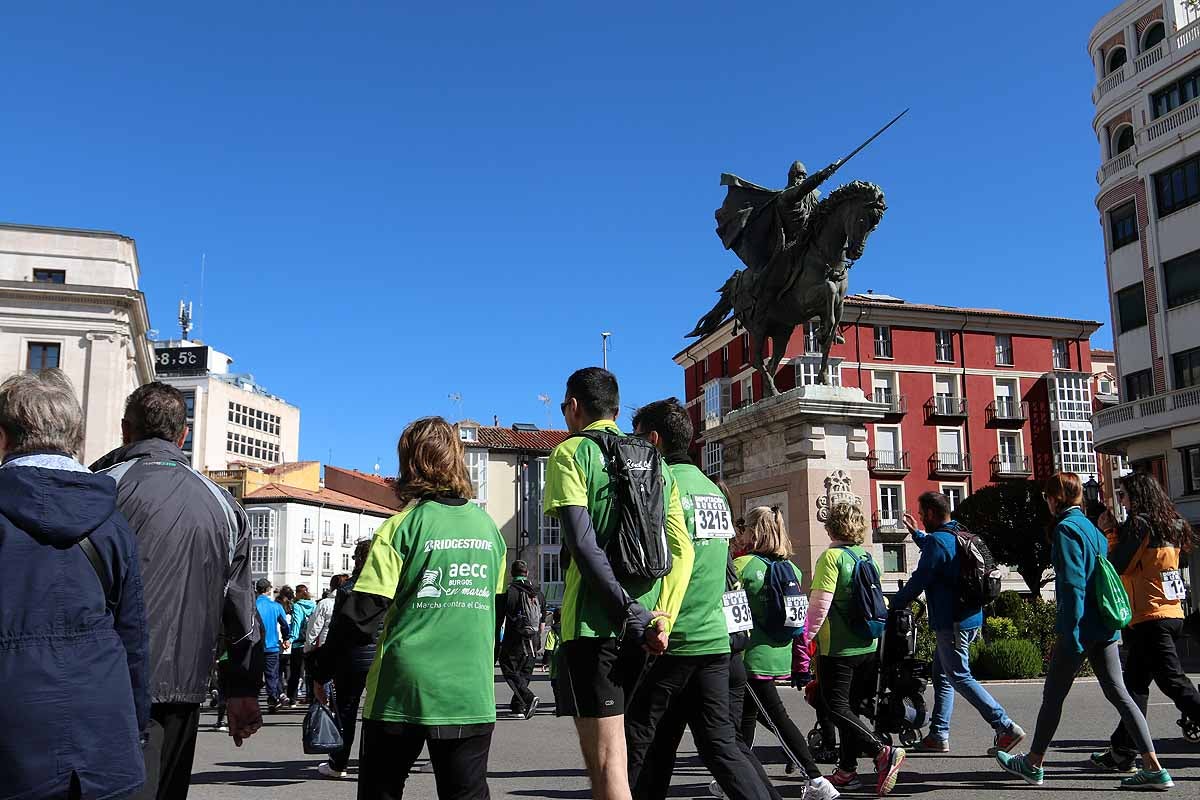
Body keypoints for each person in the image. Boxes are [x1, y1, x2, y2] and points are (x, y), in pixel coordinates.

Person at [314, 416, 506, 799]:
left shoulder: (401, 527)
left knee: (382, 791)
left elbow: (362, 614)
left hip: (403, 690)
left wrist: (322, 668)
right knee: (466, 793)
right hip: (469, 690)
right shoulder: (490, 531)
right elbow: (494, 614)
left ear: (409, 463)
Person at [91, 380, 264, 800]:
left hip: (103, 682)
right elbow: (240, 611)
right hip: (183, 691)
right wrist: (241, 690)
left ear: (124, 430)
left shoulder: (98, 487)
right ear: (182, 435)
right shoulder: (224, 505)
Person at [624, 399, 791, 800]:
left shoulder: (660, 482)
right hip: (714, 639)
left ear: (653, 439)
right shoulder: (712, 488)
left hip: (672, 635)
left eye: (636, 438)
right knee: (718, 745)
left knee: (637, 744)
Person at [544, 368, 694, 800]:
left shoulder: (571, 453)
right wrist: (660, 615)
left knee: (607, 761)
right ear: (614, 407)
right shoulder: (656, 463)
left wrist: (628, 613)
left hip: (595, 624)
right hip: (649, 627)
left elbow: (584, 546)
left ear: (574, 407)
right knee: (610, 757)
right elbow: (681, 551)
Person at [0, 370, 149, 799]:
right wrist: (134, 726)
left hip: (13, 726)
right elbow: (133, 636)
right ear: (76, 438)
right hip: (102, 724)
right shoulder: (111, 522)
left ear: (4, 437)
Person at [995, 472, 1173, 790]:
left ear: (1054, 499)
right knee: (1121, 695)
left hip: (1080, 626)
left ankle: (1034, 763)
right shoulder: (1093, 529)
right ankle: (1153, 766)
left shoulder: (1065, 529)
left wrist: (1069, 632)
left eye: (1047, 497)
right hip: (1104, 624)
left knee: (1053, 697)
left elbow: (1073, 584)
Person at [894, 492, 1025, 754]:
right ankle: (938, 734)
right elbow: (941, 556)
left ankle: (1005, 727)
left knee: (959, 676)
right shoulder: (958, 534)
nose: (921, 518)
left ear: (931, 513)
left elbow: (921, 578)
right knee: (942, 675)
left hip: (952, 621)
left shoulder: (938, 543)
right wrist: (919, 535)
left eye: (922, 514)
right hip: (970, 616)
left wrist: (894, 604)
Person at [1092, 472, 1200, 771]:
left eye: (1124, 495)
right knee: (1136, 687)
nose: (1122, 501)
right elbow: (1180, 565)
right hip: (1171, 613)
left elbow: (1119, 566)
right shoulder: (1175, 524)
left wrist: (1111, 533)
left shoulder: (1140, 525)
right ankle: (1122, 750)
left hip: (1149, 616)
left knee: (1173, 682)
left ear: (1137, 496)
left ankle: (1123, 751)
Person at [803, 503, 906, 796]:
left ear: (831, 526)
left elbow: (820, 605)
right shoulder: (867, 557)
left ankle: (882, 751)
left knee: (835, 706)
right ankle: (847, 771)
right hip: (868, 644)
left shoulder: (831, 558)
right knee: (851, 708)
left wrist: (805, 640)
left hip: (837, 648)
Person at [732, 505, 834, 799]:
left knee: (775, 718)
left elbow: (732, 614)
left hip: (749, 656)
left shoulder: (743, 567)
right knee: (746, 720)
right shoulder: (790, 568)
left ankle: (816, 780)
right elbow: (799, 622)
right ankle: (737, 778)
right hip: (779, 654)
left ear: (753, 531)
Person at [315, 539, 384, 779]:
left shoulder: (347, 589)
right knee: (380, 713)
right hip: (383, 657)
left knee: (346, 710)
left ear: (359, 559)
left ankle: (338, 763)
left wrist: (321, 674)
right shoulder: (390, 585)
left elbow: (336, 632)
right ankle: (377, 763)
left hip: (351, 658)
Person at [498, 560, 546, 719]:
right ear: (527, 573)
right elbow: (542, 622)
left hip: (514, 641)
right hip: (533, 640)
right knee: (524, 672)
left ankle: (528, 697)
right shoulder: (538, 593)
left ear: (511, 574)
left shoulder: (509, 592)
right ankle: (518, 706)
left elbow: (499, 620)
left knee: (508, 668)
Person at [255, 578, 291, 712]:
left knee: (254, 674)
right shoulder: (276, 606)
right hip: (272, 645)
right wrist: (286, 637)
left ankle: (252, 699)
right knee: (272, 674)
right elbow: (285, 625)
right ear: (268, 590)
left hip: (255, 646)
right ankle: (272, 699)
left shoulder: (252, 605)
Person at [287, 585, 317, 706]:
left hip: (298, 644)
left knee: (295, 672)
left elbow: (296, 624)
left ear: (297, 593)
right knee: (310, 673)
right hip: (311, 643)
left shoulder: (297, 606)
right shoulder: (314, 605)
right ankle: (311, 698)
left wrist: (291, 639)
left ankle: (292, 699)